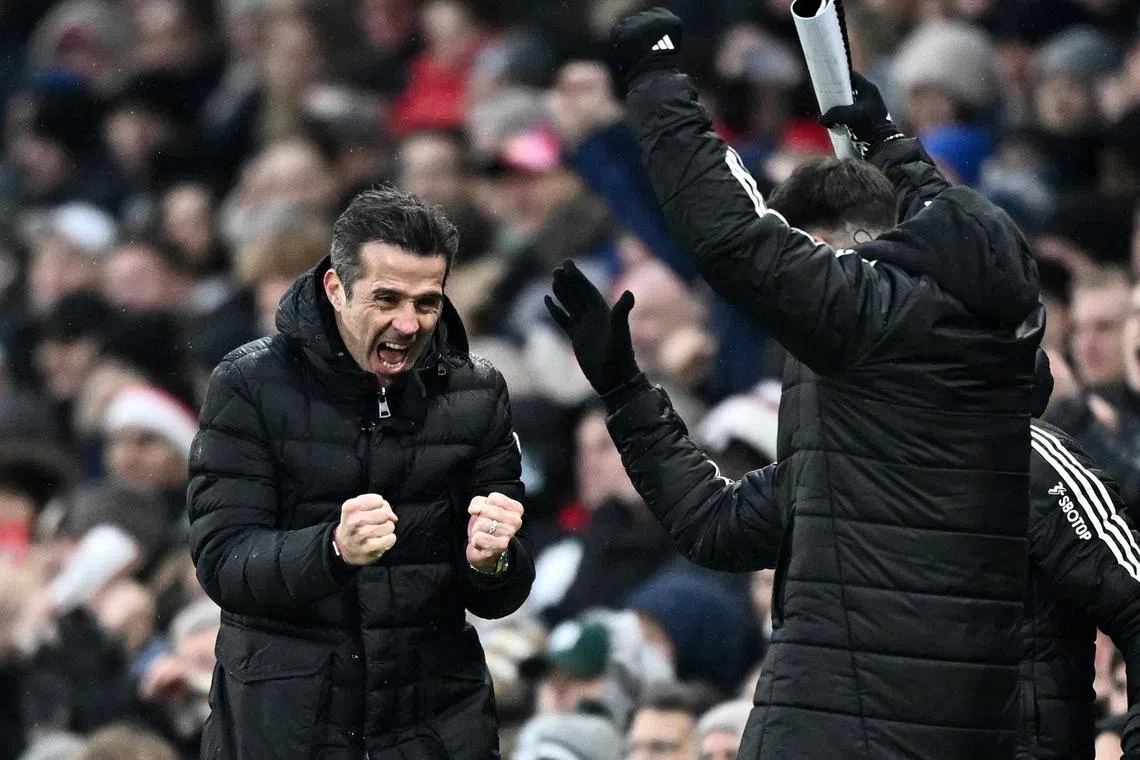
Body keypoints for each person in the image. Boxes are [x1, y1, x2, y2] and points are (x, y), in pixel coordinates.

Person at [554, 13, 1044, 755]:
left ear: (866, 244)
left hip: (847, 729)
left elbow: (734, 239)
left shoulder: (888, 322)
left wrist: (655, 82)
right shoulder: (898, 386)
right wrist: (625, 391)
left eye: (810, 255)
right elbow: (715, 527)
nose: (800, 289)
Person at [547, 155, 1140, 758]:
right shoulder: (833, 456)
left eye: (825, 264)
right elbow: (715, 525)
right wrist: (625, 391)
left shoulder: (1029, 457)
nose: (809, 298)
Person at [187, 186, 535, 759]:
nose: (409, 323)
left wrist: (493, 560)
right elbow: (223, 562)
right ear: (336, 289)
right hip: (288, 728)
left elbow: (503, 591)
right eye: (386, 299)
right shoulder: (250, 386)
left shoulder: (477, 392)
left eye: (428, 302)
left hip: (434, 726)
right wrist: (331, 550)